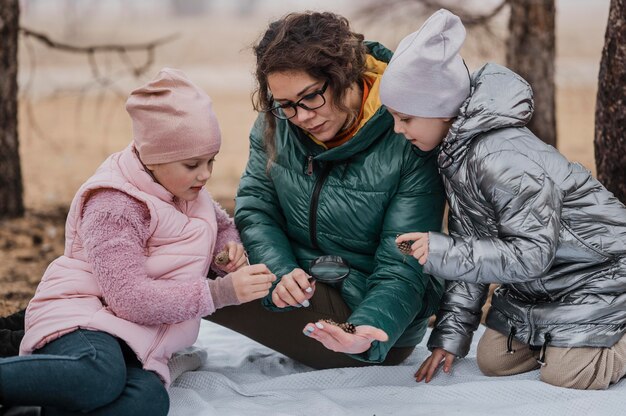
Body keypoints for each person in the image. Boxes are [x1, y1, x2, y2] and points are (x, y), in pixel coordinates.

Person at [0, 68, 276, 414]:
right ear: (154, 156)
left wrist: (227, 253)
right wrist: (220, 293)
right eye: (192, 164)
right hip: (85, 316)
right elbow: (128, 298)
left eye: (210, 161)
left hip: (139, 340)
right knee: (98, 375)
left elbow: (221, 227)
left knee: (149, 399)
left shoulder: (191, 194)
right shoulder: (115, 204)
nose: (205, 174)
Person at [381, 9, 626, 390]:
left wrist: (443, 251)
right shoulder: (456, 158)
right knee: (495, 360)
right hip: (543, 283)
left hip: (600, 271)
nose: (399, 129)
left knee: (568, 374)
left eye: (406, 117)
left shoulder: (502, 158)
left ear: (440, 106)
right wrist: (449, 339)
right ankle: (568, 338)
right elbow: (473, 256)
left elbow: (531, 254)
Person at [205, 11, 446, 368]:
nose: (300, 116)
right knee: (170, 247)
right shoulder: (277, 121)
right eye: (286, 104)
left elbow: (403, 262)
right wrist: (280, 273)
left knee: (171, 266)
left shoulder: (408, 134)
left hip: (366, 321)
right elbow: (257, 208)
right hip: (296, 284)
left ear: (345, 75)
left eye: (310, 98)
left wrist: (367, 329)